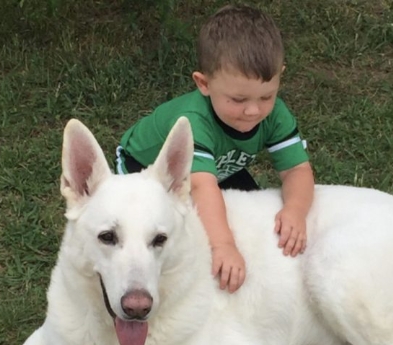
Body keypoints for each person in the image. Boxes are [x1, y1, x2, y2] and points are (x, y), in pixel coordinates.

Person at [115, 5, 315, 293]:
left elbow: (297, 168)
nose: (253, 110)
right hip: (143, 165)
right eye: (238, 99)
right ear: (203, 84)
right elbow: (201, 187)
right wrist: (223, 246)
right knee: (158, 223)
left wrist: (296, 210)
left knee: (248, 213)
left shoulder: (275, 114)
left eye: (267, 96)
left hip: (217, 167)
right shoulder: (196, 122)